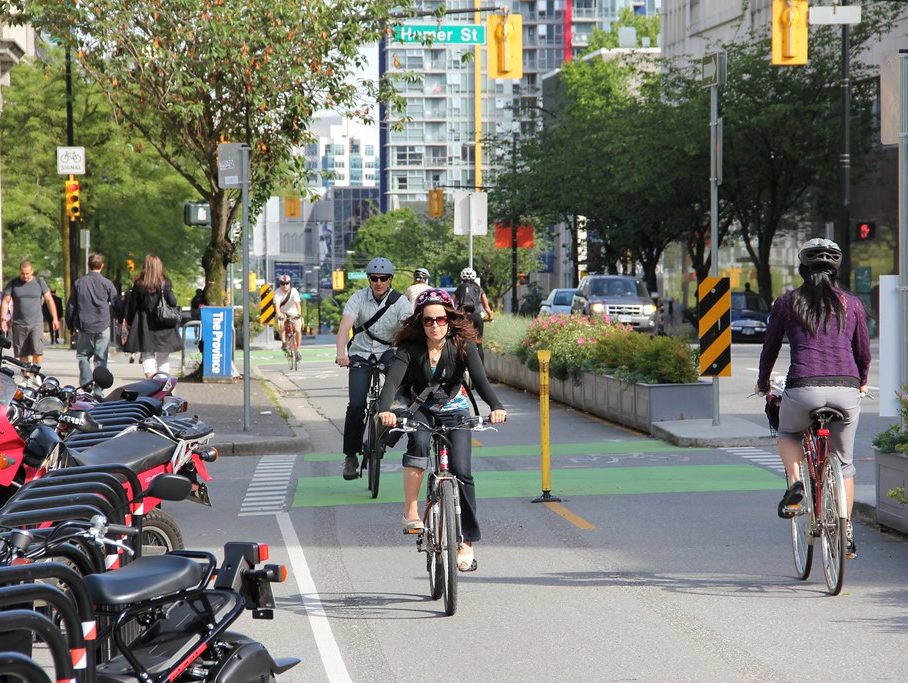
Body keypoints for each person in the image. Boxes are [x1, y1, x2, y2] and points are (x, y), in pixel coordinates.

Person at [377, 288, 507, 572]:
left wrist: (496, 407)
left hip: (455, 410)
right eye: (428, 320)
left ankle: (467, 541)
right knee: (419, 446)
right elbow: (391, 384)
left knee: (462, 471)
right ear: (419, 323)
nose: (435, 325)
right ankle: (411, 511)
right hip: (421, 409)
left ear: (450, 319)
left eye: (440, 319)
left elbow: (482, 383)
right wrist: (384, 410)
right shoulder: (409, 350)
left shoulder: (462, 345)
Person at [756, 238, 871, 559]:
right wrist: (861, 383)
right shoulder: (853, 304)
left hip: (803, 387)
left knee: (789, 433)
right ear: (836, 270)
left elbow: (770, 348)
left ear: (801, 268)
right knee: (845, 464)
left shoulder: (786, 302)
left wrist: (764, 382)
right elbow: (863, 352)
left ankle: (796, 486)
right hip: (845, 389)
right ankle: (846, 534)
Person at [335, 257, 412, 480]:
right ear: (369, 279)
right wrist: (342, 353)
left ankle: (384, 438)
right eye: (374, 278)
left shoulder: (400, 302)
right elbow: (344, 327)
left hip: (388, 352)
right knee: (357, 404)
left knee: (398, 400)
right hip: (360, 353)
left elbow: (408, 324)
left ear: (391, 279)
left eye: (383, 278)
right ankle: (351, 456)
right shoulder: (358, 298)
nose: (379, 282)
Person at [65, 253, 121, 389]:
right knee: (101, 358)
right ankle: (98, 389)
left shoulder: (79, 283)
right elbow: (116, 302)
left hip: (85, 326)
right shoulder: (107, 283)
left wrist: (70, 325)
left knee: (83, 355)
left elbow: (71, 306)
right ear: (102, 266)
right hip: (103, 325)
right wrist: (121, 319)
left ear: (88, 265)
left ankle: (86, 382)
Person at [123, 254, 182, 379]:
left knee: (147, 353)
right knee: (163, 356)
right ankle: (162, 385)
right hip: (163, 324)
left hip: (144, 323)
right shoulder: (165, 283)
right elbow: (173, 302)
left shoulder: (139, 284)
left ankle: (151, 381)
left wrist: (128, 321)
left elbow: (133, 305)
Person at [0, 260, 59, 364]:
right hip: (19, 324)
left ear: (32, 271)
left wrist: (55, 318)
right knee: (22, 353)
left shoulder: (39, 282)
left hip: (36, 323)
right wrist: (3, 319)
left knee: (37, 351)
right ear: (20, 271)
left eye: (27, 273)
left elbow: (49, 300)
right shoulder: (13, 283)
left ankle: (36, 373)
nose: (25, 276)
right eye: (22, 273)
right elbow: (5, 301)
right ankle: (26, 376)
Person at [453, 267, 493, 351]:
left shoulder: (460, 287)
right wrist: (490, 316)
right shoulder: (479, 288)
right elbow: (486, 307)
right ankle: (479, 361)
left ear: (462, 278)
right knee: (478, 342)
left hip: (462, 316)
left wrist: (452, 314)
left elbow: (451, 302)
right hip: (476, 315)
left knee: (459, 341)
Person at [275, 274, 303, 358]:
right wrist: (279, 315)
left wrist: (298, 314)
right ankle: (284, 342)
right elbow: (277, 305)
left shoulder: (294, 291)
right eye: (283, 283)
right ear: (280, 284)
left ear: (290, 283)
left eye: (287, 283)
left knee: (298, 330)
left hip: (293, 312)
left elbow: (298, 304)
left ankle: (297, 350)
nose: (285, 285)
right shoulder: (277, 292)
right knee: (281, 324)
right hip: (282, 312)